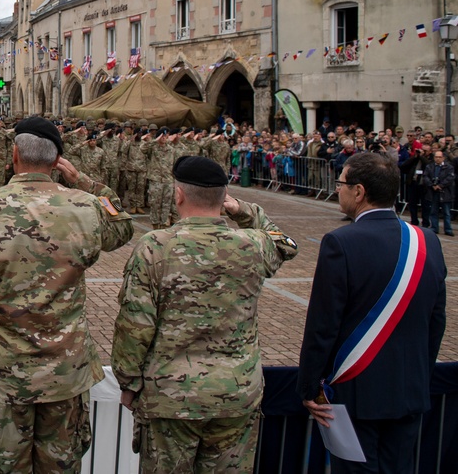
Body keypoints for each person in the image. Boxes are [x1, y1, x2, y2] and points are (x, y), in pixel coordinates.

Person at [0, 117, 134, 473]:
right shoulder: (85, 207)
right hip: (66, 373)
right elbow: (122, 224)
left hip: (4, 374)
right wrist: (82, 180)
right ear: (57, 162)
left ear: (13, 154)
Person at [113, 156, 298, 472]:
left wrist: (128, 381)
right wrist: (242, 210)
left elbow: (135, 325)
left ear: (179, 195)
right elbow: (286, 245)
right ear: (224, 199)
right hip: (236, 393)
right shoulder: (253, 243)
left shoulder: (155, 246)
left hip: (171, 397)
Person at [298, 152, 447, 473]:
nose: (337, 189)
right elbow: (437, 321)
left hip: (357, 391)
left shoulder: (340, 241)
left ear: (359, 191)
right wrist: (420, 374)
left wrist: (309, 386)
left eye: (340, 183)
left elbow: (324, 324)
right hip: (410, 388)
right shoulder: (427, 240)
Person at [422, 150, 454, 236]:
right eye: (436, 157)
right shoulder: (430, 166)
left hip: (445, 192)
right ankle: (434, 227)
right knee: (433, 211)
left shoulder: (449, 167)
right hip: (433, 192)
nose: (438, 159)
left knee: (446, 212)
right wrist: (432, 185)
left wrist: (441, 185)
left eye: (440, 157)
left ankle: (448, 229)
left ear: (443, 158)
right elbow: (426, 176)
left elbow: (450, 178)